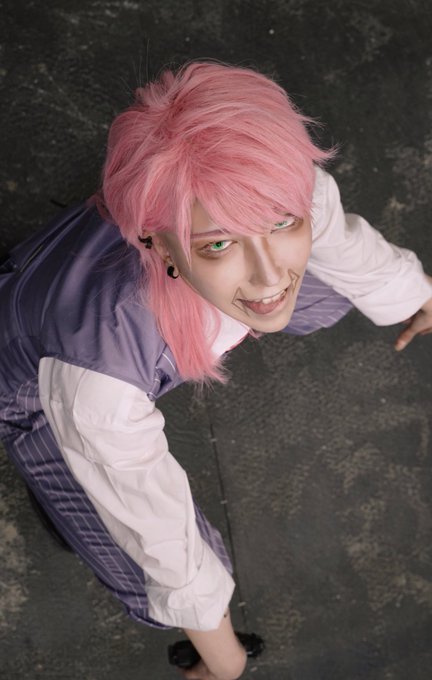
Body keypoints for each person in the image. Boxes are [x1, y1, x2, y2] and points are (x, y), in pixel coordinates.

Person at [1, 61, 431, 680]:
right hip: (34, 395)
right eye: (219, 243)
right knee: (150, 567)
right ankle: (61, 491)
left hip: (126, 307)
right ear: (158, 245)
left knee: (328, 288)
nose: (270, 275)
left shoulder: (279, 185)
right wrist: (223, 659)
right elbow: (161, 538)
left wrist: (417, 292)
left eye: (283, 224)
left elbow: (338, 240)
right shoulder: (98, 380)